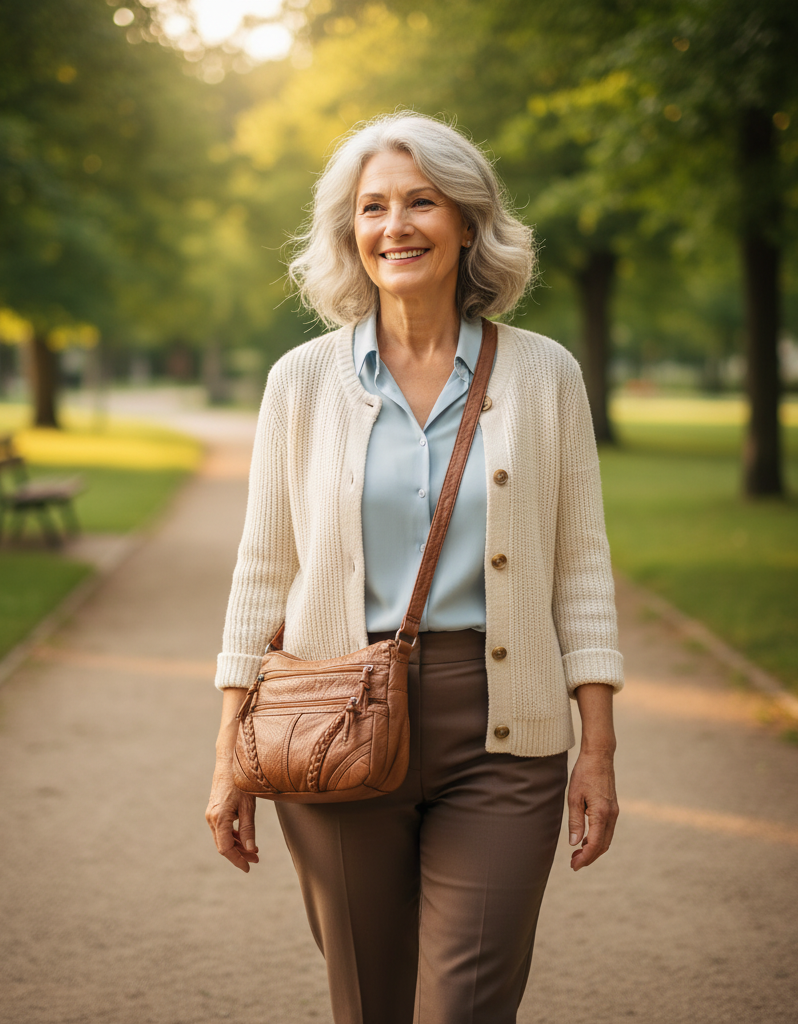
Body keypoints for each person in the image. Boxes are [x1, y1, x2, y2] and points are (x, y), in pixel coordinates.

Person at [206, 112, 623, 1024]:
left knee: (465, 1006)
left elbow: (582, 570)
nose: (395, 225)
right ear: (350, 233)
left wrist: (598, 747)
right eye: (373, 207)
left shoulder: (547, 376)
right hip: (333, 726)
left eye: (421, 202)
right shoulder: (302, 382)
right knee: (370, 1001)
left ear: (468, 222)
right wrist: (231, 754)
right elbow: (261, 571)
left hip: (503, 733)